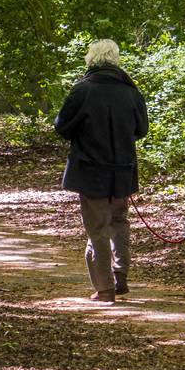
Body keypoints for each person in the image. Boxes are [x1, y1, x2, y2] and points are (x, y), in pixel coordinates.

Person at [54, 39, 149, 303]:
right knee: (119, 221)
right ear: (115, 59)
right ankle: (120, 276)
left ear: (92, 59)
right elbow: (142, 129)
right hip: (122, 170)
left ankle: (105, 288)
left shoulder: (83, 90)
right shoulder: (131, 92)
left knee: (98, 227)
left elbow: (61, 126)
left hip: (91, 170)